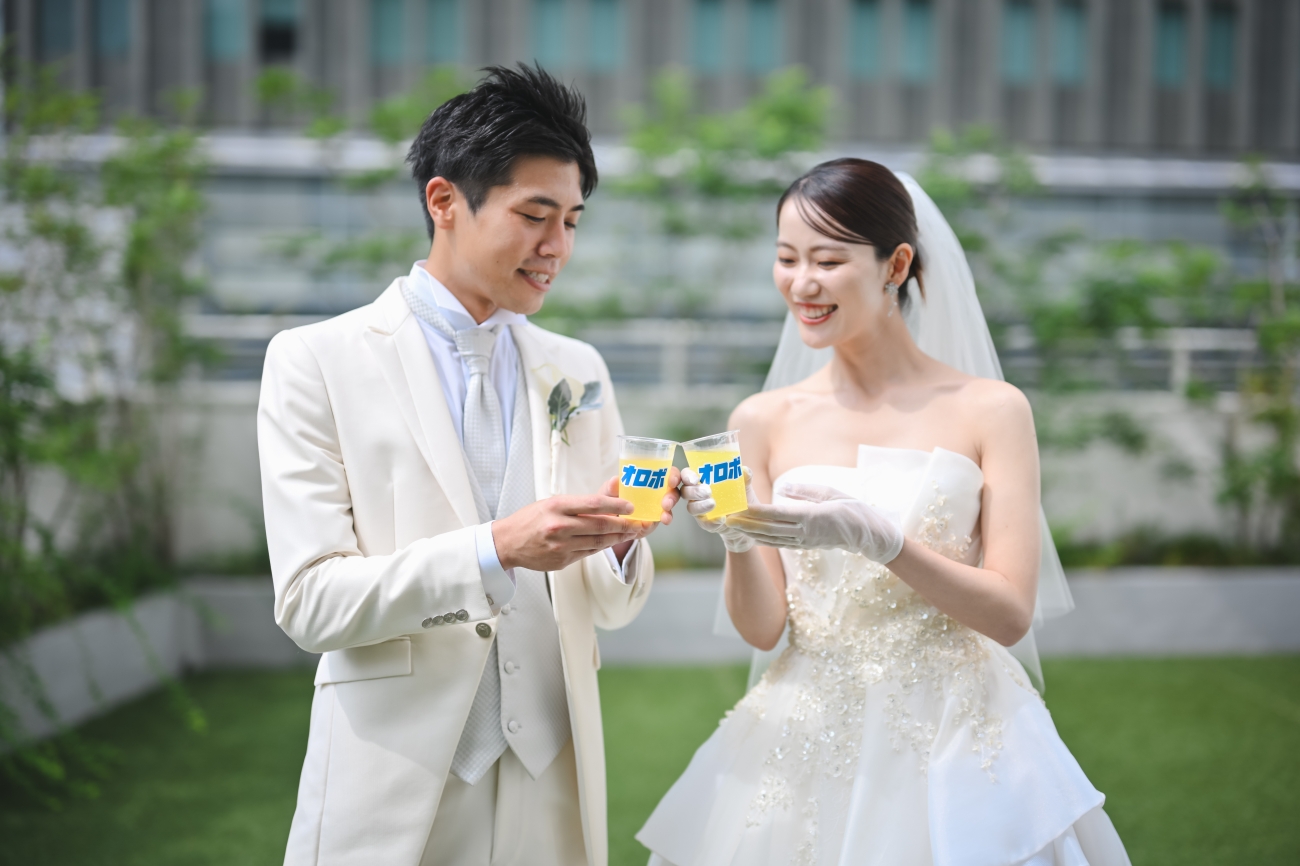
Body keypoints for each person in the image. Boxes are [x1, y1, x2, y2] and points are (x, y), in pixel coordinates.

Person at [637, 159, 1130, 865]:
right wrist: (735, 538)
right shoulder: (759, 420)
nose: (801, 283)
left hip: (957, 729)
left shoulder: (993, 410)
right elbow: (763, 628)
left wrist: (885, 543)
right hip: (805, 728)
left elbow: (1009, 614)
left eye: (827, 260)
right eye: (786, 258)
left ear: (895, 264)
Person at [258, 65, 677, 866]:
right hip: (396, 781)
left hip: (552, 781)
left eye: (572, 222)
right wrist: (495, 549)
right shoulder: (315, 361)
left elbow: (608, 608)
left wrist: (621, 540)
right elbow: (311, 603)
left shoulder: (578, 371)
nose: (557, 248)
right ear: (444, 201)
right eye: (535, 216)